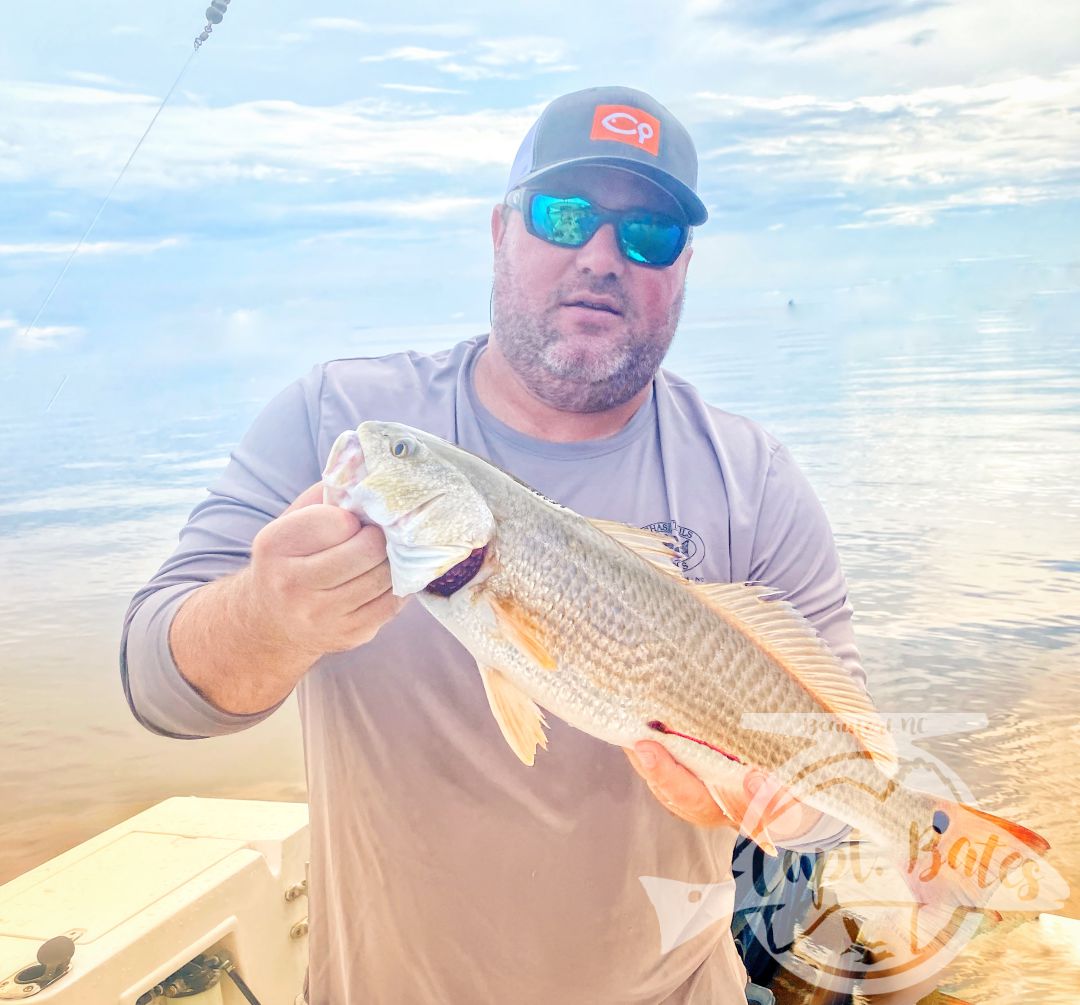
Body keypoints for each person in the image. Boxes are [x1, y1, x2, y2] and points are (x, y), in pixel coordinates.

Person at [121, 86, 866, 1004]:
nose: (602, 256)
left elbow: (843, 783)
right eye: (565, 214)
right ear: (500, 230)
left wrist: (790, 811)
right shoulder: (341, 416)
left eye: (650, 234)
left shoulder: (752, 477)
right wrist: (271, 616)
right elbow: (160, 689)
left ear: (683, 268)